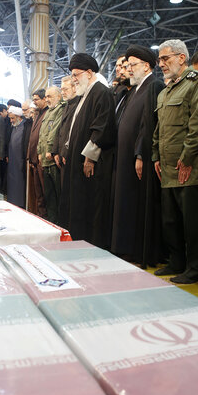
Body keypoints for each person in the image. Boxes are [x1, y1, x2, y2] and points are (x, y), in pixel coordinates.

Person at [152, 39, 198, 283]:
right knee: (171, 221)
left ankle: (195, 268)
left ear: (181, 58)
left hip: (190, 168)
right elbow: (159, 128)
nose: (162, 64)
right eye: (159, 60)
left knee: (193, 223)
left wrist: (187, 158)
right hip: (167, 169)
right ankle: (176, 261)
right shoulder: (166, 92)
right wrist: (155, 155)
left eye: (166, 59)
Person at [111, 45, 165, 267]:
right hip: (126, 158)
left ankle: (140, 252)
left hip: (138, 158)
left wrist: (141, 154)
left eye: (132, 65)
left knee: (138, 206)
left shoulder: (154, 86)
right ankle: (127, 249)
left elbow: (148, 125)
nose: (129, 70)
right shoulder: (136, 89)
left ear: (146, 65)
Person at [59, 53, 116, 249]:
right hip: (77, 161)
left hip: (89, 164)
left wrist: (90, 158)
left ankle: (90, 244)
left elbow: (101, 128)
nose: (74, 80)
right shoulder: (86, 94)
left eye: (76, 75)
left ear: (89, 72)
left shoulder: (101, 92)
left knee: (89, 206)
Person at [37, 86, 64, 224]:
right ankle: (53, 222)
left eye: (50, 96)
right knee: (49, 196)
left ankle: (60, 223)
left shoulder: (60, 109)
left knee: (57, 195)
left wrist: (48, 149)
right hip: (45, 159)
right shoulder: (48, 112)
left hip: (53, 160)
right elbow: (42, 133)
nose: (47, 99)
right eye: (46, 97)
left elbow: (55, 131)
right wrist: (39, 151)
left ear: (59, 97)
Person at [53, 76, 79, 184]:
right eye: (61, 89)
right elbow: (60, 130)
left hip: (69, 155)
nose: (62, 92)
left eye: (65, 89)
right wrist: (56, 151)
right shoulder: (67, 105)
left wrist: (65, 152)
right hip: (61, 155)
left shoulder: (78, 105)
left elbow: (72, 132)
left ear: (74, 88)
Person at [27, 89, 48, 218]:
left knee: (45, 194)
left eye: (36, 99)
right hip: (34, 160)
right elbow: (32, 137)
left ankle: (46, 218)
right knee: (38, 194)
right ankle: (41, 217)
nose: (34, 102)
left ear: (44, 98)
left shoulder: (47, 114)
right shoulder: (38, 113)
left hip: (42, 160)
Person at [6, 106, 32, 208]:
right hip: (12, 161)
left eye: (13, 118)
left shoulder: (24, 126)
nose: (11, 121)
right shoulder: (14, 127)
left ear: (18, 117)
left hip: (20, 161)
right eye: (10, 118)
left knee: (19, 184)